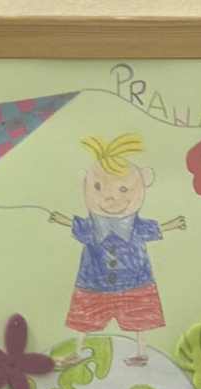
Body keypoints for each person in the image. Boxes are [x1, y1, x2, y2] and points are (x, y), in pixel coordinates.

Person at [50, 134, 185, 366]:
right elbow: (77, 225)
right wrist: (60, 219)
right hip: (93, 283)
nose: (110, 197)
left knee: (140, 318)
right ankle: (78, 352)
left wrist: (172, 224)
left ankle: (141, 353)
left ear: (144, 182)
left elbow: (153, 229)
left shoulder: (135, 226)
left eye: (123, 189)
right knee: (84, 319)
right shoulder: (92, 226)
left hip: (135, 282)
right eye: (98, 187)